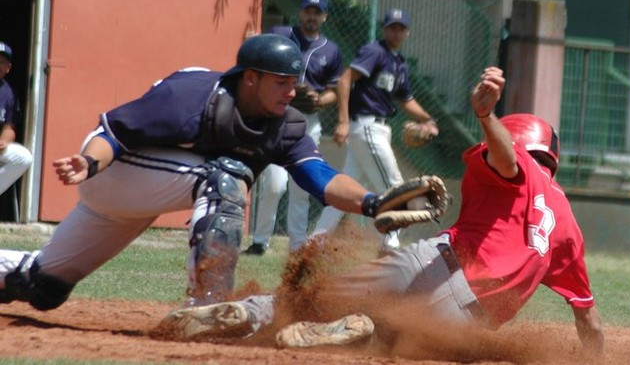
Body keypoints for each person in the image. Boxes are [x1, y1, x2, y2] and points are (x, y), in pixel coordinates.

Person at [164, 66, 604, 356]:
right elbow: (589, 319)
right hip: (467, 316)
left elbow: (507, 161)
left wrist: (486, 117)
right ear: (554, 157)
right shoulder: (569, 230)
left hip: (431, 264)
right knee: (399, 341)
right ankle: (363, 330)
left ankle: (252, 311)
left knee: (309, 299)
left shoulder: (519, 164)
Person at [0, 34, 411, 311]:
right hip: (114, 173)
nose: (292, 92)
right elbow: (114, 131)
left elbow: (319, 176)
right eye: (282, 82)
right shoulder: (193, 96)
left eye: (294, 83)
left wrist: (372, 203)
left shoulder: (285, 123)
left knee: (43, 287)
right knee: (226, 177)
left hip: (148, 193)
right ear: (250, 78)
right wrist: (88, 163)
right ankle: (208, 305)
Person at [312, 8, 438, 252]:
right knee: (395, 186)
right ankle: (391, 244)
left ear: (407, 32)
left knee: (344, 191)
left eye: (401, 28)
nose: (396, 31)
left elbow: (406, 100)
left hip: (377, 129)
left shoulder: (399, 63)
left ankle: (314, 242)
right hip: (367, 126)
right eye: (392, 26)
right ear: (384, 28)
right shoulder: (375, 52)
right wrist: (343, 121)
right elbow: (345, 79)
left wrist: (428, 119)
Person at [244, 0, 344, 255]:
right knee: (274, 184)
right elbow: (256, 45)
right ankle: (260, 241)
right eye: (307, 11)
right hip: (278, 115)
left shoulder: (331, 50)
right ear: (300, 13)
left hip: (308, 121)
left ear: (324, 16)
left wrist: (321, 100)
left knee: (302, 187)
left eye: (317, 12)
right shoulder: (282, 34)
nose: (311, 16)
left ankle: (297, 246)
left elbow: (334, 89)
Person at [0, 42, 33, 203]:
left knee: (24, 157)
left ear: (8, 68)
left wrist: (4, 141)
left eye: (1, 62)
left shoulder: (9, 93)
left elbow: (9, 127)